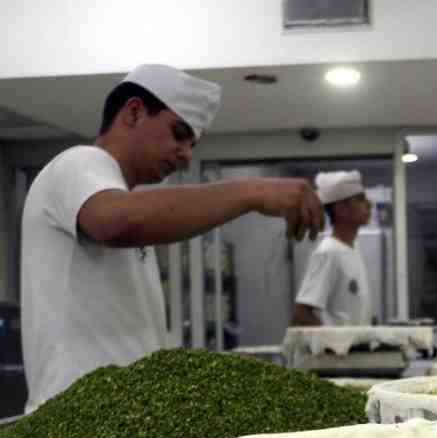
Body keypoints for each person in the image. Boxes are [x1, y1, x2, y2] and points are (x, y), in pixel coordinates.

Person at [20, 64, 324, 412]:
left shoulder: (124, 199)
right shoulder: (78, 163)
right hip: (72, 421)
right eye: (178, 134)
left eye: (192, 144)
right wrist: (252, 192)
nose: (185, 155)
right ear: (134, 112)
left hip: (121, 420)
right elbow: (114, 222)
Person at [292, 171, 374, 326]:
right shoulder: (328, 252)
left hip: (355, 348)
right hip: (338, 350)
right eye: (360, 199)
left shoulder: (353, 247)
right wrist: (333, 344)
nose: (370, 204)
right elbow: (302, 314)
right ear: (341, 209)